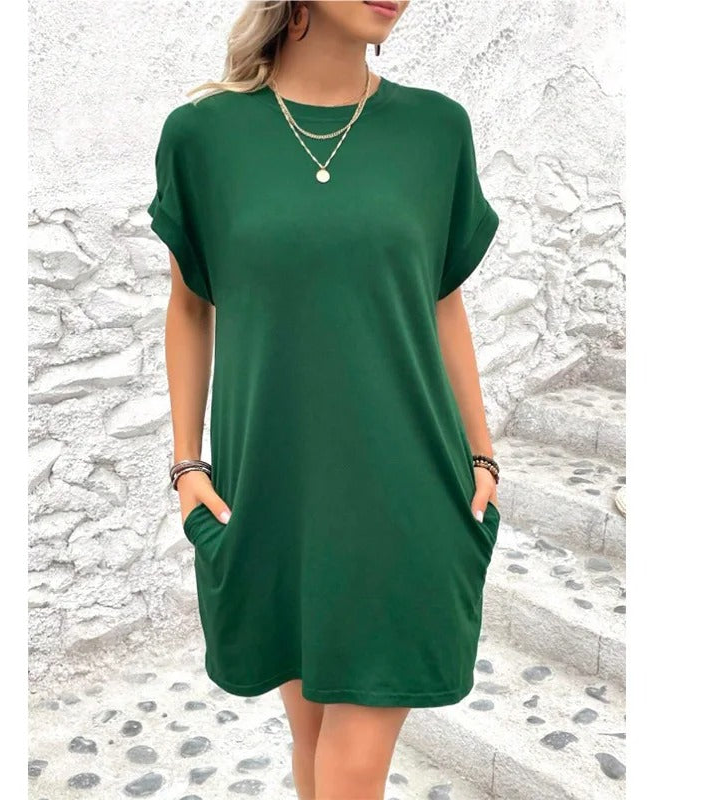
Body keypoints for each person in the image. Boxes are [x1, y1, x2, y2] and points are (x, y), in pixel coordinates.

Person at [148, 2, 502, 798]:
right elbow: (191, 306)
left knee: (351, 758)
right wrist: (187, 466)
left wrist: (482, 456)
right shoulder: (202, 136)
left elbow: (442, 303)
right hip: (275, 492)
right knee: (311, 739)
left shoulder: (436, 130)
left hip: (408, 488)